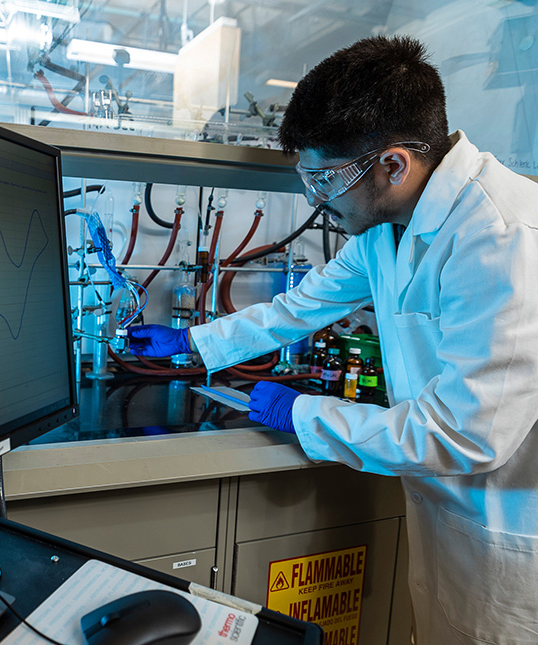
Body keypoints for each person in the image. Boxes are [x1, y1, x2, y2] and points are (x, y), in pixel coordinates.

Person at [128, 36, 538, 644]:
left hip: (509, 539)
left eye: (323, 179)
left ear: (393, 165)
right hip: (449, 524)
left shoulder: (502, 236)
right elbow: (299, 306)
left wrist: (306, 413)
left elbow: (464, 432)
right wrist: (194, 342)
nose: (315, 202)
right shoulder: (388, 228)